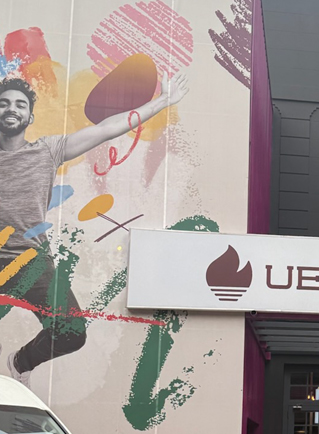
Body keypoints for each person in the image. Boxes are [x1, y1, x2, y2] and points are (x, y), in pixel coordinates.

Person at [0, 73, 188, 387]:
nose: (11, 108)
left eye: (19, 104)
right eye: (4, 103)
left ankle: (21, 362)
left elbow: (105, 129)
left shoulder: (47, 151)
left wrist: (164, 101)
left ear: (29, 116)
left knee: (71, 333)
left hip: (30, 260)